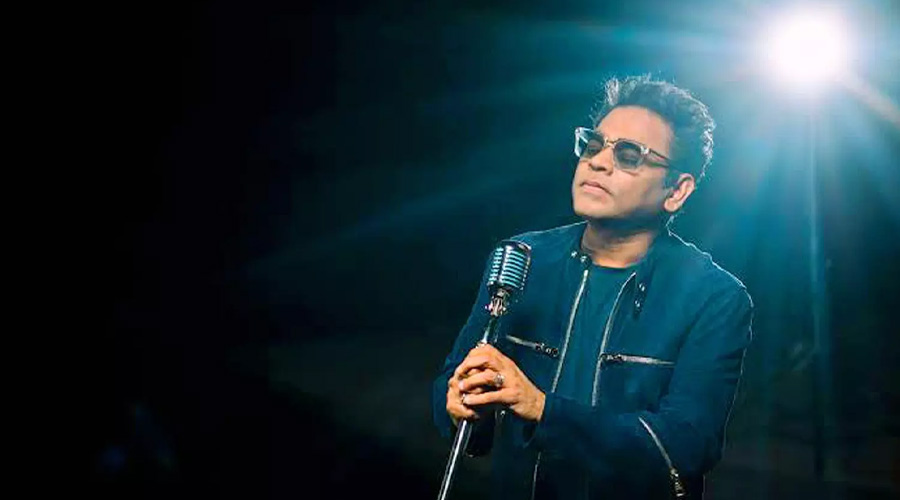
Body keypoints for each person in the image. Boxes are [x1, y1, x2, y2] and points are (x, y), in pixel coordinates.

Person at [432, 75, 753, 499]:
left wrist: (543, 410)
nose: (598, 162)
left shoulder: (715, 298)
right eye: (594, 145)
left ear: (677, 190)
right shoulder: (523, 258)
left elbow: (687, 447)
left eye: (629, 155)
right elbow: (451, 388)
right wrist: (458, 405)